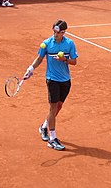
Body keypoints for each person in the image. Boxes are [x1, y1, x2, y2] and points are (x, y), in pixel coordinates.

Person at [24, 20, 78, 151]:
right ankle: (52, 139)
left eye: (58, 32)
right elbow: (39, 58)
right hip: (52, 79)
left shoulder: (70, 44)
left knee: (58, 107)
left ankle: (44, 126)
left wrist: (64, 59)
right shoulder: (47, 44)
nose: (55, 34)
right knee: (53, 108)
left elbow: (74, 61)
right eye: (54, 32)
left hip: (65, 81)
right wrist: (30, 69)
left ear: (64, 32)